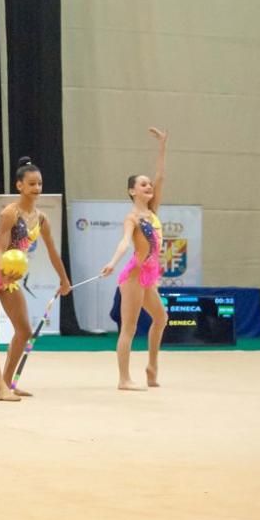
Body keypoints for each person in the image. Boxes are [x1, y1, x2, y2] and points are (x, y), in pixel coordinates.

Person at [0, 157, 71, 401]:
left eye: (39, 184)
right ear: (19, 186)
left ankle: (8, 382)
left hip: (10, 274)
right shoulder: (10, 212)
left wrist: (64, 280)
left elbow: (52, 252)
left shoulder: (42, 218)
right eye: (32, 184)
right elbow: (1, 248)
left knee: (24, 331)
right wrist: (3, 276)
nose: (37, 188)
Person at [101, 128, 169, 390]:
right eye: (143, 184)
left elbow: (161, 176)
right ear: (132, 191)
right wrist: (112, 262)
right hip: (133, 276)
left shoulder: (153, 211)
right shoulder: (132, 218)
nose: (149, 186)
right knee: (128, 328)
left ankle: (152, 368)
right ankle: (123, 379)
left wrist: (162, 145)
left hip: (148, 275)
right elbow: (125, 242)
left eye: (148, 184)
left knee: (160, 319)